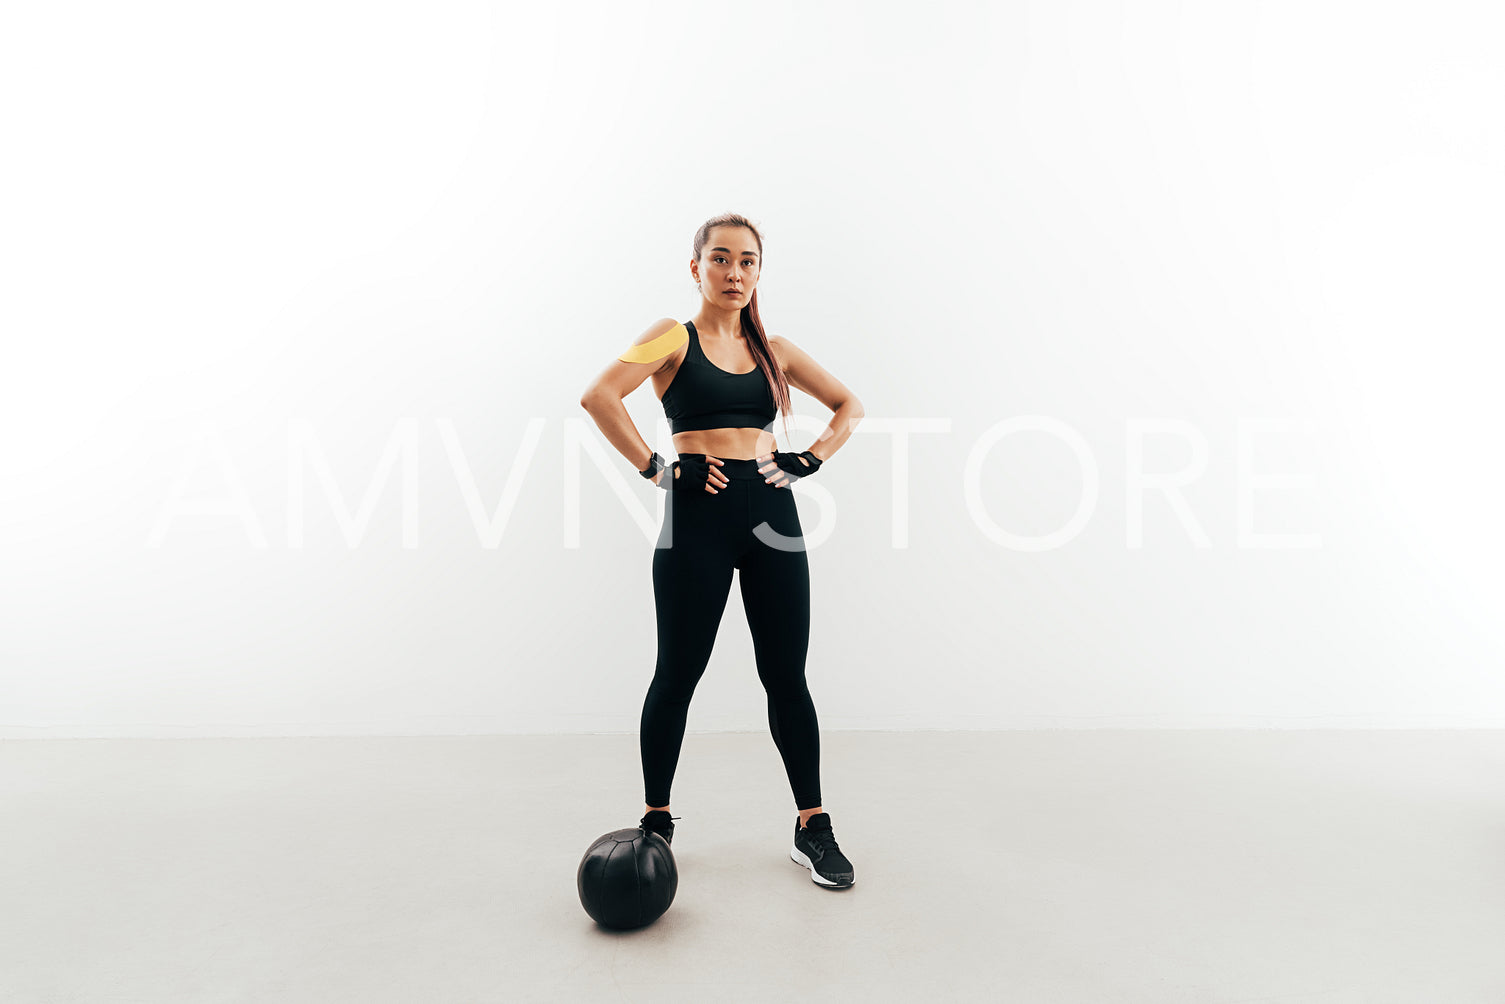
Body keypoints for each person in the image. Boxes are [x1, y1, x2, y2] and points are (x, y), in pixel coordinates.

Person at [579, 213, 865, 889]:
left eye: (747, 262)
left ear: (759, 271)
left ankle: (812, 825)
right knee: (675, 675)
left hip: (772, 516)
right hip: (695, 520)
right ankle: (656, 819)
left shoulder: (778, 349)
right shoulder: (667, 339)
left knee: (785, 677)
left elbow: (849, 406)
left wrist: (810, 459)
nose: (734, 273)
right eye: (720, 259)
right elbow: (599, 396)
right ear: (696, 268)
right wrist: (657, 467)